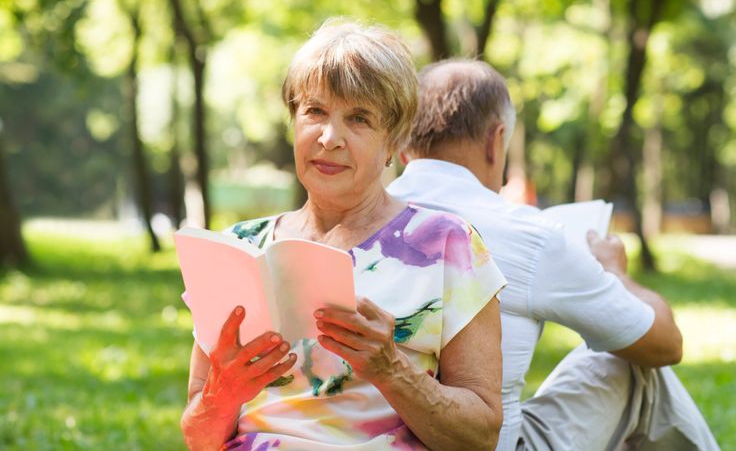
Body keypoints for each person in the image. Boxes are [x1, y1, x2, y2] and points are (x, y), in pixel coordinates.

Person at [180, 23, 508, 450]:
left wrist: (391, 369)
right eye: (314, 111)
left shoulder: (447, 245)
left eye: (359, 119)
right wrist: (224, 392)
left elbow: (480, 437)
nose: (329, 138)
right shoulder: (239, 247)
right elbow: (198, 437)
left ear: (393, 142)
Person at [388, 59, 720, 451]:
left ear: (404, 146)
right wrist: (616, 274)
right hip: (489, 442)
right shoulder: (528, 235)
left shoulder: (369, 220)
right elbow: (664, 344)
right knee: (637, 365)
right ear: (496, 142)